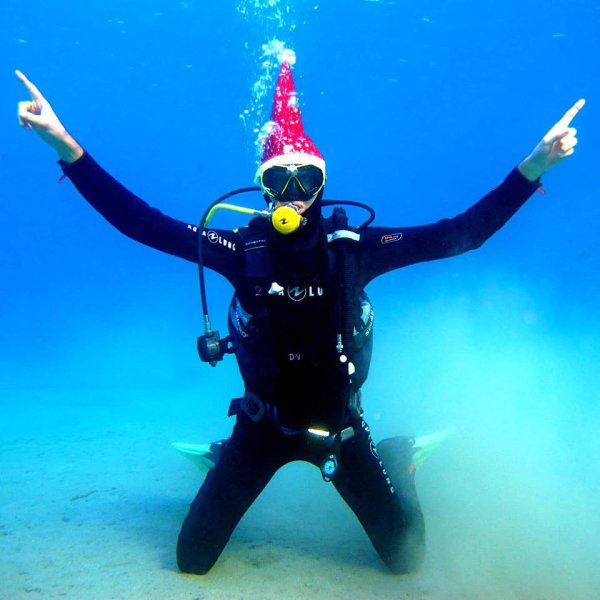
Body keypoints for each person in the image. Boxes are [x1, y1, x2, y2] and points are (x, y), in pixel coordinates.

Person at [15, 63, 584, 575]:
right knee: (192, 560)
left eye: (305, 179)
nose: (293, 194)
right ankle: (223, 458)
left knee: (406, 558)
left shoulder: (355, 249)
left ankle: (395, 456)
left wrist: (534, 167)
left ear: (322, 183)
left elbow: (461, 234)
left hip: (340, 427)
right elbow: (144, 224)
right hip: (261, 426)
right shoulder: (240, 249)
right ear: (262, 188)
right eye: (278, 181)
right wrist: (67, 148)